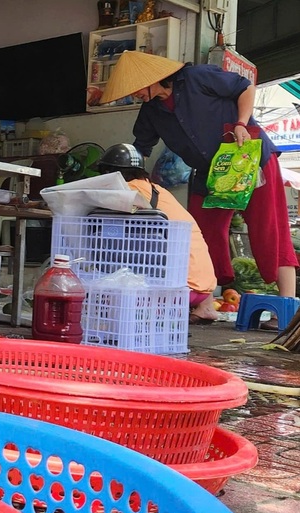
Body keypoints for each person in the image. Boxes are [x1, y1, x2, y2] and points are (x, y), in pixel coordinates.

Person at [100, 50, 297, 300]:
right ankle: (205, 301)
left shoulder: (197, 77)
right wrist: (122, 180)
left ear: (152, 78)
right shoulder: (151, 111)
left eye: (136, 88)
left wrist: (241, 123)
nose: (134, 95)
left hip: (249, 158)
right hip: (209, 171)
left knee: (268, 227)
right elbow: (141, 149)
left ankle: (287, 305)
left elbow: (244, 88)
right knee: (198, 232)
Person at [96, 143, 219, 323]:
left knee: (107, 289)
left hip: (178, 292)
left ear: (110, 173)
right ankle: (206, 308)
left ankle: (156, 313)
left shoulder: (127, 190)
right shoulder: (158, 190)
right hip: (204, 288)